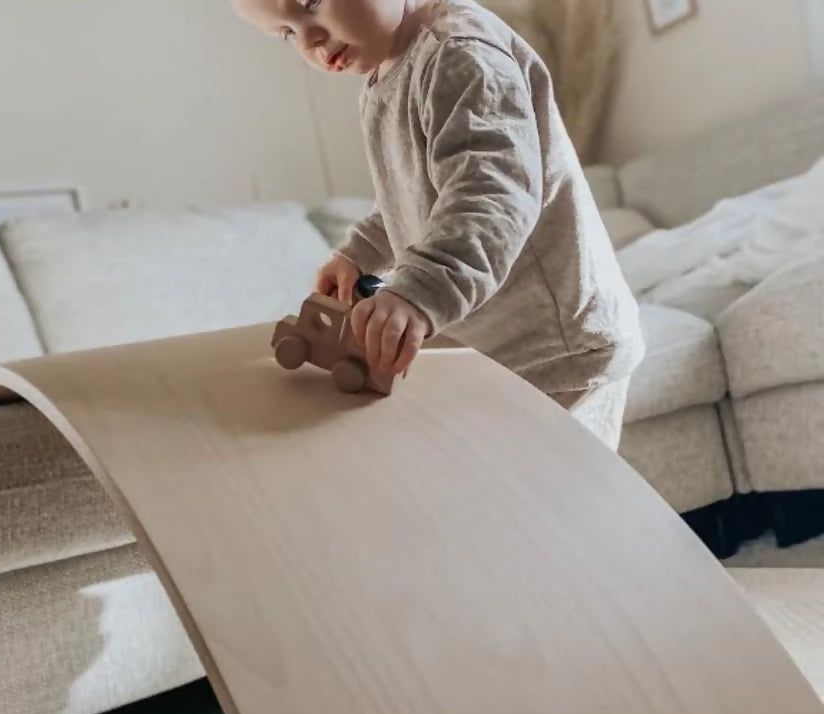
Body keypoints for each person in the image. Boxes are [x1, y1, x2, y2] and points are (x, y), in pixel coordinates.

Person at [231, 0, 643, 448]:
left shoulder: (462, 55)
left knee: (560, 509)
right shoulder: (386, 74)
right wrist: (362, 251)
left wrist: (420, 289)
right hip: (500, 349)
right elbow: (417, 193)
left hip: (557, 349)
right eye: (286, 33)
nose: (309, 40)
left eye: (311, 3)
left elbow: (491, 195)